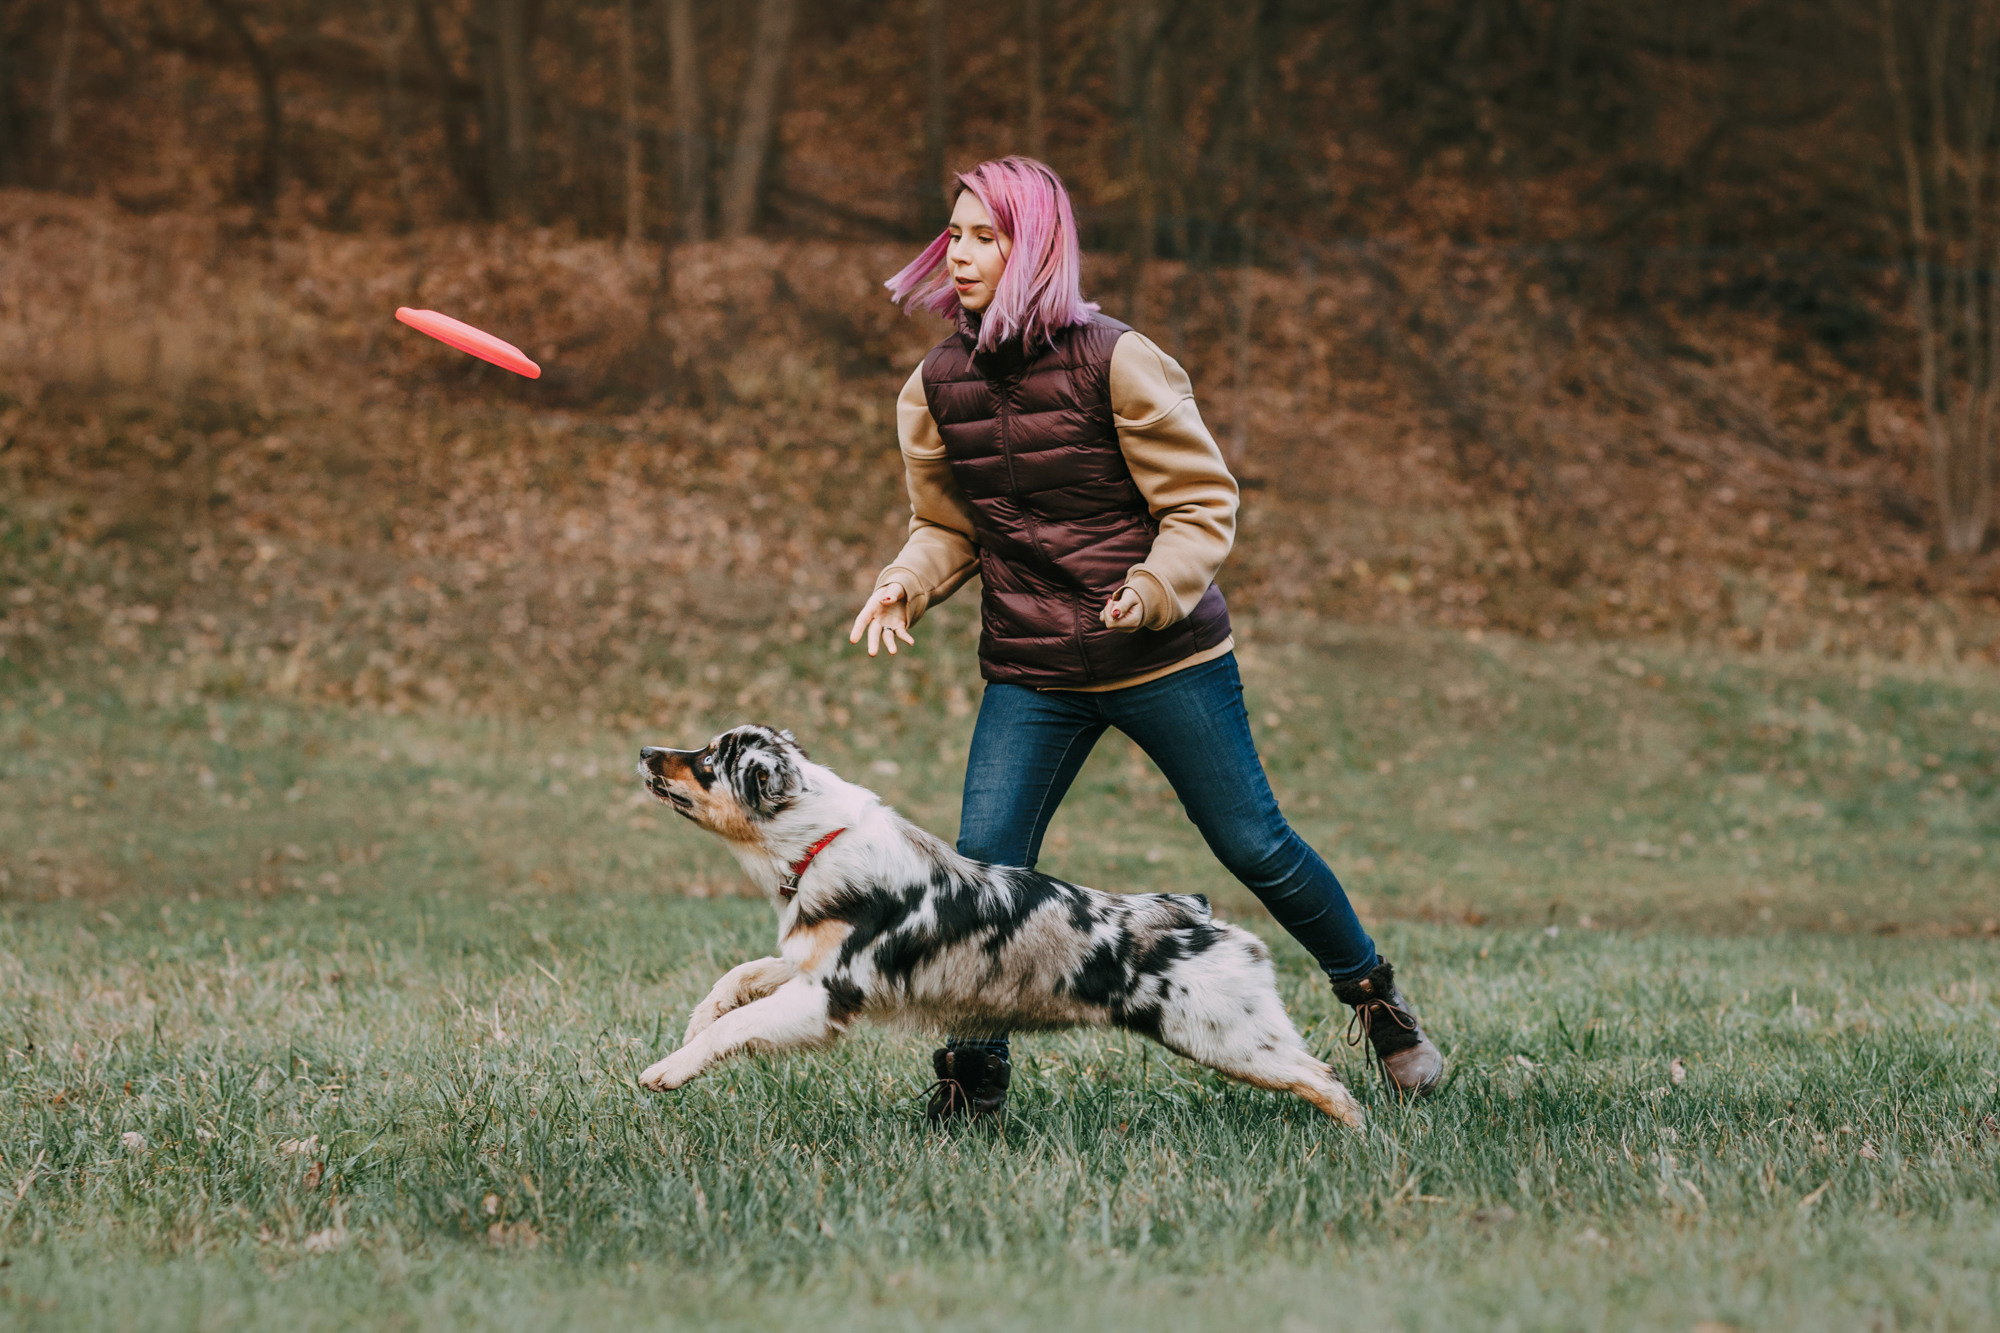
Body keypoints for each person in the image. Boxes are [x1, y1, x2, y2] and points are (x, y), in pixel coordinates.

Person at [849, 156, 1443, 1123]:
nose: (959, 253)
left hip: (1164, 658)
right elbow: (949, 525)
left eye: (985, 236)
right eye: (952, 234)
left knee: (1255, 844)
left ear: (1034, 246)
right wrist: (901, 584)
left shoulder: (1117, 358)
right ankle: (972, 1077)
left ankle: (1377, 1005)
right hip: (1033, 669)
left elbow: (1201, 502)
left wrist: (1153, 587)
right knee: (986, 869)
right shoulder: (935, 386)